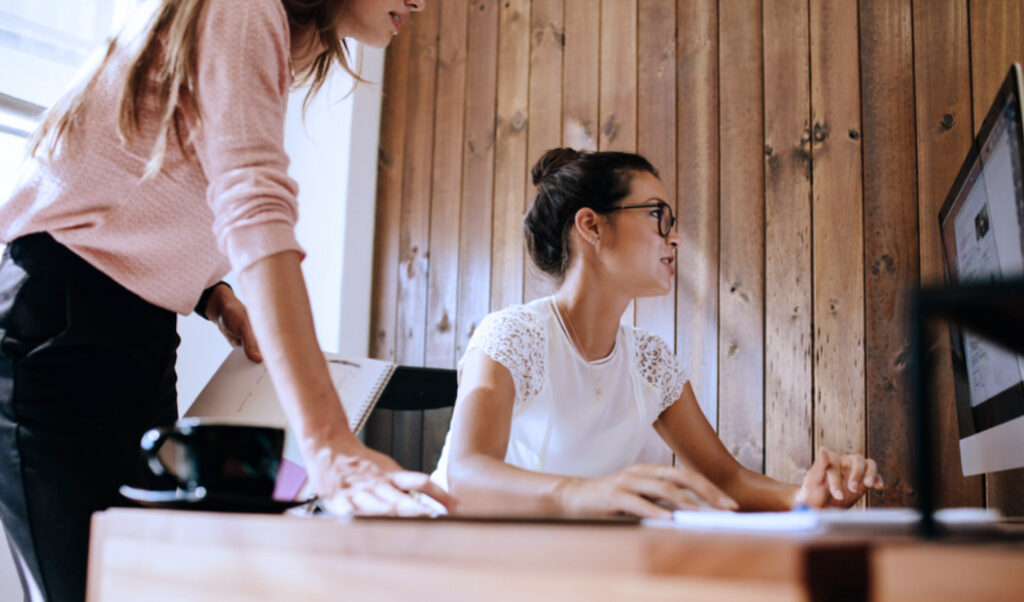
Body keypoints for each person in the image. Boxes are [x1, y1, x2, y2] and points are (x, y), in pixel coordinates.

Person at [0, 0, 453, 599]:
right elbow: (254, 208)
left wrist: (214, 295)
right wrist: (330, 446)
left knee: (140, 583)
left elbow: (155, 183)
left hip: (138, 330)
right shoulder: (243, 8)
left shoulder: (258, 28)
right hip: (60, 324)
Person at [431, 147, 884, 518]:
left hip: (564, 569)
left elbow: (725, 479)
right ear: (591, 225)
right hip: (451, 558)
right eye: (656, 214)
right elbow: (467, 475)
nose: (675, 237)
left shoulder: (650, 362)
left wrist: (802, 497)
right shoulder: (512, 336)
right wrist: (587, 494)